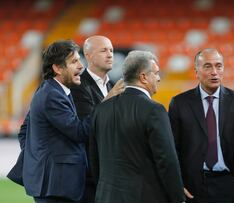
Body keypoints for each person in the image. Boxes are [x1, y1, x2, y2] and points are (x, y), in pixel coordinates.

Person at [89, 50, 185, 203]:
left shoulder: (101, 110)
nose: (159, 78)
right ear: (143, 77)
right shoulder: (154, 110)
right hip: (142, 196)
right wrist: (178, 197)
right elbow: (166, 160)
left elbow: (94, 160)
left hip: (105, 197)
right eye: (156, 73)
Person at [168, 48, 234, 203]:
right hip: (193, 188)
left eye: (218, 66)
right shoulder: (179, 103)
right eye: (208, 66)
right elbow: (172, 149)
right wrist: (178, 184)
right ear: (196, 71)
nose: (214, 72)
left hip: (229, 185)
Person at [22, 40, 90, 203]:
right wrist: (105, 105)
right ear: (57, 68)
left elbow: (24, 131)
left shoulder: (50, 89)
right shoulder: (52, 94)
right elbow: (79, 132)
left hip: (56, 184)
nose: (81, 66)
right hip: (56, 186)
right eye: (74, 61)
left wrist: (37, 154)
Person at [70, 35, 124, 203]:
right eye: (103, 50)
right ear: (89, 56)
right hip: (89, 176)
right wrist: (109, 98)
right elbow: (88, 128)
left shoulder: (111, 85)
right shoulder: (78, 86)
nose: (110, 55)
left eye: (111, 50)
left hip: (111, 173)